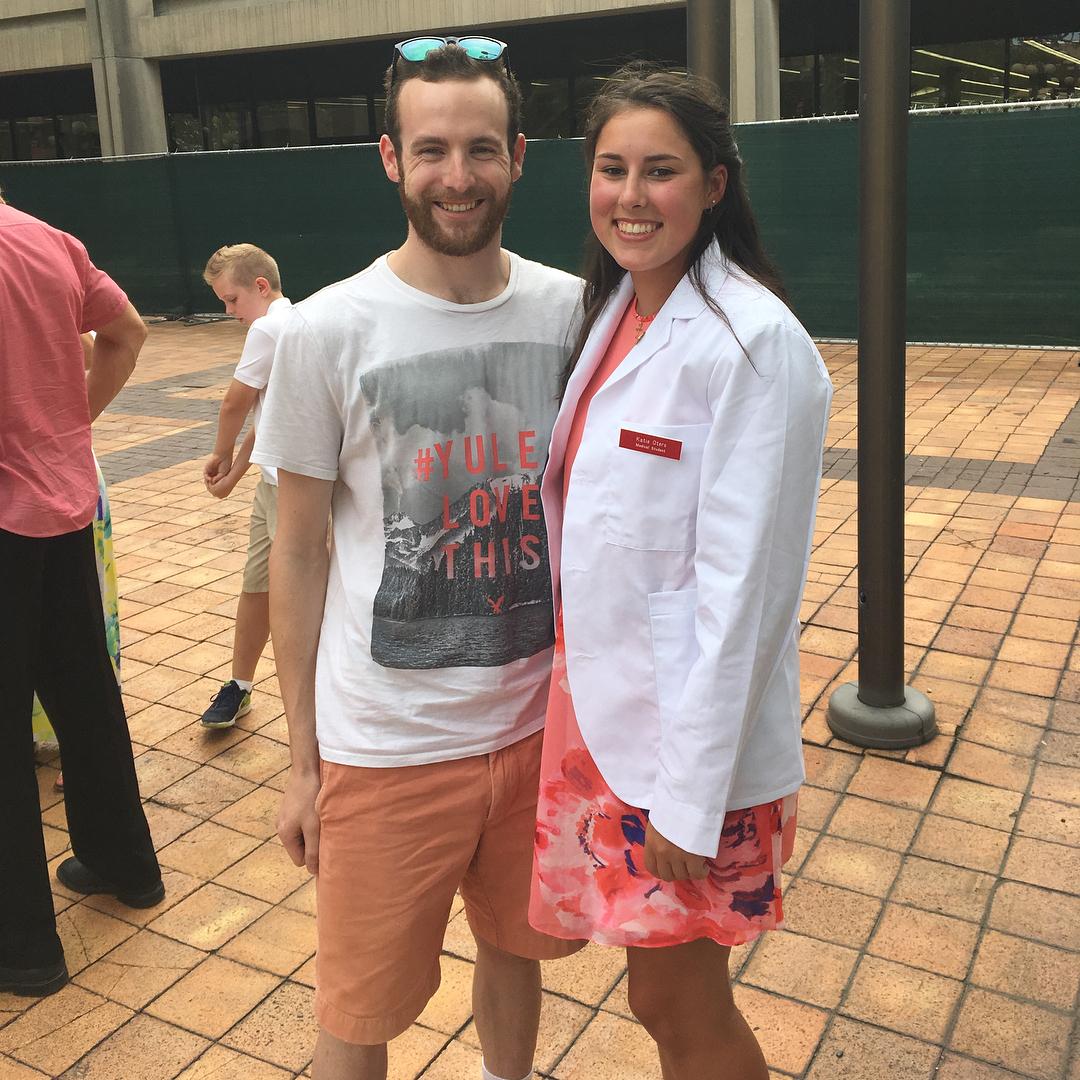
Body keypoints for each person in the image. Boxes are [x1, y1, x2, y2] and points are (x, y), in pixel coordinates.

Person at [252, 34, 585, 1080]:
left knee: (516, 951)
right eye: (431, 148)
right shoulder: (323, 332)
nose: (458, 175)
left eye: (481, 148)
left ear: (519, 155)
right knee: (357, 1013)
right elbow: (297, 553)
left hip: (538, 730)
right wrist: (303, 762)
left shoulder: (576, 311)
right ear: (389, 158)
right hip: (384, 750)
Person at [528, 64, 833, 1080]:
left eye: (660, 171)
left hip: (689, 747)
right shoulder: (619, 311)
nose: (629, 195)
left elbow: (748, 596)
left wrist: (690, 802)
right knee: (659, 992)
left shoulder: (755, 345)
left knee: (672, 997)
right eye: (611, 169)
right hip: (616, 716)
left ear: (714, 184)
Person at [0, 196, 164, 999]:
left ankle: (23, 947)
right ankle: (123, 862)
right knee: (84, 695)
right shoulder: (48, 239)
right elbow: (127, 334)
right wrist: (68, 427)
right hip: (62, 505)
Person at [198, 244, 291, 729]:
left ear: (260, 286)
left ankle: (320, 708)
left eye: (231, 299)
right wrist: (233, 475)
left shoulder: (271, 327)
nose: (229, 312)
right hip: (270, 485)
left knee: (295, 598)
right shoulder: (289, 321)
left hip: (292, 491)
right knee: (256, 586)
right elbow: (267, 418)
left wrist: (218, 451)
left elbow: (237, 402)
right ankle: (240, 685)